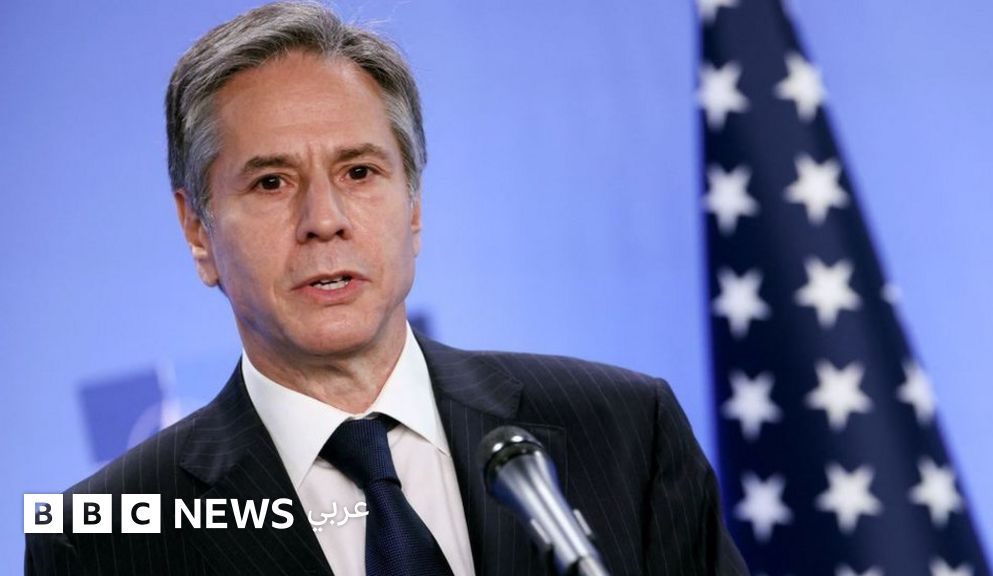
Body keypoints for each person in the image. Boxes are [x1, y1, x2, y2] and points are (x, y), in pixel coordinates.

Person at [25, 2, 748, 575]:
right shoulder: (100, 539)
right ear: (197, 230)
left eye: (359, 172)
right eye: (271, 182)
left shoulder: (626, 432)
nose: (324, 220)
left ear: (414, 205)